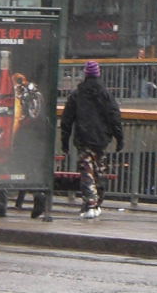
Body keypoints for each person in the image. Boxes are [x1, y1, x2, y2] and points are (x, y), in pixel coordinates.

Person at [61, 60, 124, 220]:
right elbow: (114, 116)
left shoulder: (77, 94)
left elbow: (67, 120)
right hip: (101, 138)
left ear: (85, 74)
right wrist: (119, 137)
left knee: (86, 171)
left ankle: (90, 203)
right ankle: (97, 202)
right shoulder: (105, 94)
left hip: (83, 138)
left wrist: (65, 141)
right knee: (99, 170)